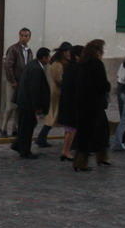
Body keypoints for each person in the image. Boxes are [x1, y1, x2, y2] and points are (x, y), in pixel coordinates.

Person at [72, 40, 111, 171]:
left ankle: (84, 160)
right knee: (97, 132)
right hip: (94, 104)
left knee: (86, 132)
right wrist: (107, 87)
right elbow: (102, 84)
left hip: (82, 104)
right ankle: (86, 161)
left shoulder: (81, 64)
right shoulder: (97, 64)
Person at [12, 47, 51, 159]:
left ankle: (18, 144)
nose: (49, 60)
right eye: (48, 57)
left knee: (26, 125)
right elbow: (34, 90)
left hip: (24, 101)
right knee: (27, 127)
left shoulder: (33, 65)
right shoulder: (36, 69)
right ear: (43, 58)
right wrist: (37, 106)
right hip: (28, 103)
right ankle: (25, 151)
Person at [36, 42, 72, 147]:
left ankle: (42, 138)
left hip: (58, 93)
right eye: (68, 51)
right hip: (57, 93)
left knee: (54, 116)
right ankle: (41, 138)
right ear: (64, 52)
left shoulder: (61, 62)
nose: (69, 53)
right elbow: (59, 80)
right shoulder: (57, 64)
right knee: (52, 116)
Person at [0, 28, 33, 136]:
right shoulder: (13, 49)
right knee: (10, 106)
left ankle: (15, 128)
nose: (24, 38)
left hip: (23, 83)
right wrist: (13, 81)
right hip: (13, 82)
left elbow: (29, 67)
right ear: (19, 36)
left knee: (19, 106)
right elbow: (8, 66)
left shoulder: (29, 51)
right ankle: (3, 128)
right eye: (22, 35)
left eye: (26, 36)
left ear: (29, 37)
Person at [56, 45, 84, 161]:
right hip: (72, 103)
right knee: (71, 129)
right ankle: (66, 151)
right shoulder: (76, 68)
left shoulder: (69, 67)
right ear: (77, 56)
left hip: (67, 102)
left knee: (70, 129)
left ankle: (65, 150)